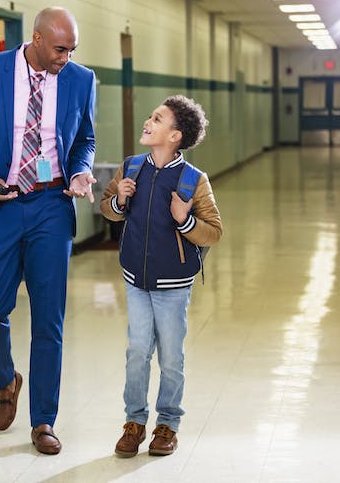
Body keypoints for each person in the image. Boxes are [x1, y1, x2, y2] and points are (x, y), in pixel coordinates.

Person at [0, 7, 97, 455]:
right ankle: (6, 377)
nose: (66, 58)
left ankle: (43, 420)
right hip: (3, 204)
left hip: (52, 203)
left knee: (49, 317)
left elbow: (85, 137)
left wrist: (81, 171)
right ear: (34, 38)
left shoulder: (81, 79)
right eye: (59, 49)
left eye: (72, 50)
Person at [99, 95, 222, 457]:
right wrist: (119, 199)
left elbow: (213, 231)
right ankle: (134, 422)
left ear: (175, 136)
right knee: (137, 351)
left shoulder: (193, 179)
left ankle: (167, 423)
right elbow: (109, 209)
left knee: (170, 357)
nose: (147, 122)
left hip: (173, 285)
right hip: (136, 279)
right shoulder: (131, 167)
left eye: (157, 119)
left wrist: (184, 218)